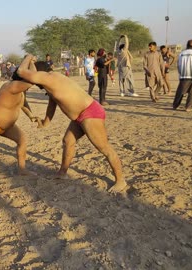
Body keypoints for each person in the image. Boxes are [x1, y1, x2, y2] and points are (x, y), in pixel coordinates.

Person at [17, 54, 127, 193]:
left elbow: (21, 72)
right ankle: (63, 173)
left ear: (38, 73)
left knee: (104, 148)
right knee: (68, 140)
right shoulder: (51, 82)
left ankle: (120, 180)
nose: (33, 83)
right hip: (80, 116)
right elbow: (52, 105)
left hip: (90, 113)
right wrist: (45, 122)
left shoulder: (48, 77)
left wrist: (28, 57)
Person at [172, 39, 192, 111]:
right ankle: (188, 107)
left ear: (187, 45)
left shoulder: (182, 53)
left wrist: (180, 73)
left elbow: (178, 65)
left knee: (180, 91)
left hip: (183, 75)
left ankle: (175, 105)